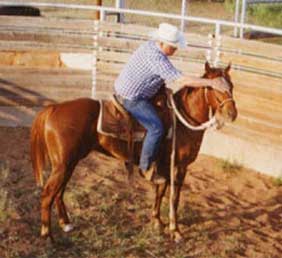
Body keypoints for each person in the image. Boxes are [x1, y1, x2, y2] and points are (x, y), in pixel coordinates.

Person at [114, 23, 230, 184]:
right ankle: (145, 167)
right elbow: (181, 79)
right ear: (161, 42)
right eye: (173, 46)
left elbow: (152, 75)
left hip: (128, 89)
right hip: (131, 97)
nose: (175, 50)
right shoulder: (157, 58)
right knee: (156, 127)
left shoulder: (150, 46)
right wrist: (210, 83)